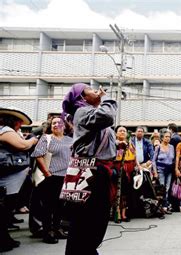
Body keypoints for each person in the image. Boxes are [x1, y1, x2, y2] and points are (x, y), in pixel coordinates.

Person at [61, 83, 117, 255]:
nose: (97, 92)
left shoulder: (88, 113)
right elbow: (108, 115)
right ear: (82, 98)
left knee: (91, 220)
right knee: (88, 220)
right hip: (92, 173)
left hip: (95, 171)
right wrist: (106, 98)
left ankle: (86, 250)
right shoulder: (82, 112)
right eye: (91, 91)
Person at [0, 107, 38, 252]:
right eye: (19, 122)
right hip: (7, 179)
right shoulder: (6, 131)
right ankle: (3, 240)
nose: (21, 124)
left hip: (9, 178)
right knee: (4, 209)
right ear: (14, 121)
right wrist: (33, 140)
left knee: (5, 210)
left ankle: (4, 238)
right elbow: (22, 145)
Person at [31, 116, 73, 244]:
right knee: (48, 206)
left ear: (64, 126)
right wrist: (47, 173)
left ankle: (57, 228)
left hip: (66, 177)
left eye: (59, 123)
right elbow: (38, 155)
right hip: (51, 177)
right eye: (53, 123)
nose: (56, 125)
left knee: (60, 206)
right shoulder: (46, 138)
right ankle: (48, 232)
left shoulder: (70, 140)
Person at [113, 126, 137, 222]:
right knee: (119, 192)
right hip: (119, 168)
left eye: (124, 131)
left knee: (127, 193)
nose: (122, 132)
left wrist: (138, 166)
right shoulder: (113, 144)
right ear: (116, 133)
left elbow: (135, 157)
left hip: (130, 169)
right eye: (120, 131)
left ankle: (124, 214)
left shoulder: (130, 144)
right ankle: (117, 213)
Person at [152, 130, 175, 212]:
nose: (168, 138)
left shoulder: (172, 147)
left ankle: (165, 205)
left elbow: (173, 159)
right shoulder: (158, 147)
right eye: (166, 136)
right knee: (162, 188)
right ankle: (162, 206)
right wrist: (155, 172)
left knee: (168, 188)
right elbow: (153, 160)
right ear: (162, 137)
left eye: (169, 137)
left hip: (169, 170)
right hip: (160, 169)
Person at [168, 123, 181, 212]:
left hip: (173, 164)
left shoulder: (173, 138)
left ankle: (174, 205)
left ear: (171, 129)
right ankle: (176, 205)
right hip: (177, 163)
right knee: (176, 184)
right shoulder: (179, 137)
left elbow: (172, 152)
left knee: (173, 185)